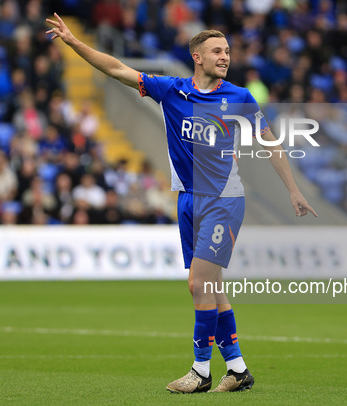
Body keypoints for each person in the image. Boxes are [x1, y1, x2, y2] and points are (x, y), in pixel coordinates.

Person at [47, 13, 317, 394]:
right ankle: (237, 369)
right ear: (197, 56)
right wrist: (75, 43)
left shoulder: (239, 98)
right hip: (188, 200)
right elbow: (118, 69)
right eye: (217, 51)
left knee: (200, 284)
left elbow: (270, 142)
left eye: (227, 51)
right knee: (208, 287)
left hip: (224, 199)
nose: (224, 57)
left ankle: (201, 371)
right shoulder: (171, 91)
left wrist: (293, 189)